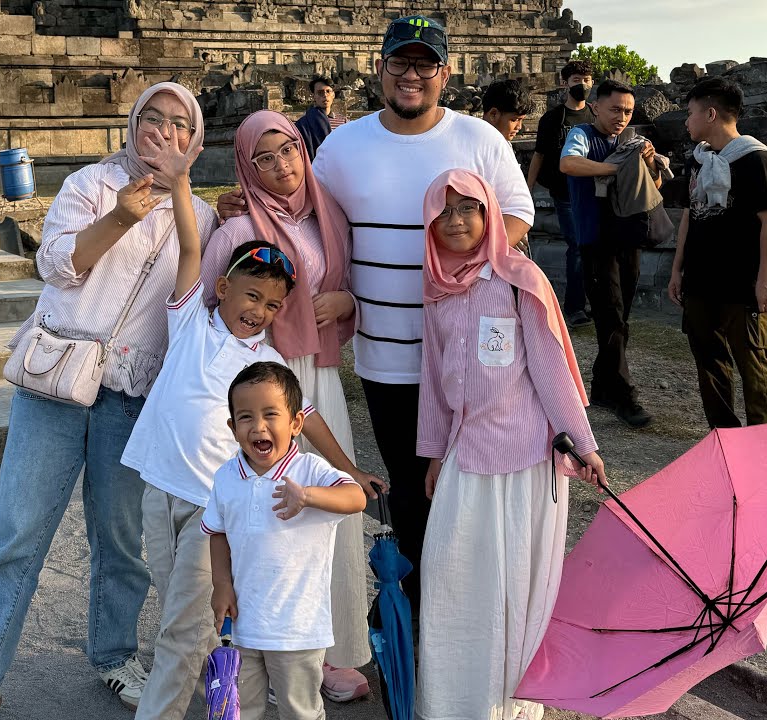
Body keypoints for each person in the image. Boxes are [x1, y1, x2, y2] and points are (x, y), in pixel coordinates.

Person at [222, 15, 536, 618]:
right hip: (386, 355)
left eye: (425, 64)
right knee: (409, 484)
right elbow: (301, 209)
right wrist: (245, 201)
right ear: (380, 68)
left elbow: (516, 217)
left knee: (464, 486)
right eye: (400, 62)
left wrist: (464, 271)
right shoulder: (343, 146)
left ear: (445, 72)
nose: (411, 75)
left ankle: (460, 606)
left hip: (464, 355)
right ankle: (417, 606)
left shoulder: (480, 140)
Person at [0, 82, 219, 720]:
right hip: (57, 383)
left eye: (179, 124)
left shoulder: (199, 213)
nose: (163, 132)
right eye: (152, 118)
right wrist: (121, 215)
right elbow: (58, 266)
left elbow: (191, 297)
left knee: (120, 543)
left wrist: (174, 197)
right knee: (16, 534)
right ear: (133, 122)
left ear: (194, 141)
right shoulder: (90, 184)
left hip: (129, 396)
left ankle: (115, 656)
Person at [122, 228, 382, 720]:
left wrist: (350, 469)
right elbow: (191, 249)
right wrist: (180, 180)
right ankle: (230, 697)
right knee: (189, 621)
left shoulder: (269, 364)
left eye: (273, 305)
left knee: (180, 631)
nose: (260, 310)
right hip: (159, 491)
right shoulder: (191, 324)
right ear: (222, 289)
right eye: (252, 295)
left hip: (210, 502)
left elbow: (310, 420)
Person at [415, 169, 606, 720]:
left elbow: (550, 369)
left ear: (490, 215)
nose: (456, 221)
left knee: (515, 580)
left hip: (525, 457)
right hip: (464, 451)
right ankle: (455, 702)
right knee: (454, 573)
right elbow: (433, 377)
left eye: (468, 209)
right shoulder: (435, 286)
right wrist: (432, 452)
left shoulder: (520, 279)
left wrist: (583, 444)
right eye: (444, 212)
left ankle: (508, 702)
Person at [200, 110, 376, 702]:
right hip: (265, 389)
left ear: (305, 151)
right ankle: (260, 650)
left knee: (321, 512)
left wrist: (344, 300)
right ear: (246, 168)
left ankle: (322, 650)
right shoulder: (237, 227)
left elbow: (351, 280)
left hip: (317, 374)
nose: (281, 168)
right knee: (265, 520)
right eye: (264, 159)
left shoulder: (326, 213)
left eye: (289, 152)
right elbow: (208, 303)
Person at [204, 361, 369, 720]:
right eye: (245, 417)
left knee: (300, 711)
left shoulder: (310, 470)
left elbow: (355, 498)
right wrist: (221, 585)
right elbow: (217, 532)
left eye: (270, 414)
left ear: (295, 422)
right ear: (232, 427)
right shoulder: (227, 477)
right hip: (244, 625)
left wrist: (309, 496)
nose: (258, 426)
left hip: (298, 629)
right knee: (240, 710)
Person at [668, 78, 767, 428]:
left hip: (742, 282)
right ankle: (724, 435)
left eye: (691, 113)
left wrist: (766, 279)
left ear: (711, 113)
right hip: (701, 280)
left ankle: (763, 439)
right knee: (708, 361)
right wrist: (677, 270)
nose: (687, 121)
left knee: (753, 362)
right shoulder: (700, 160)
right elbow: (690, 216)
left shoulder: (754, 159)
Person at [560, 79, 661, 429]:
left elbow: (653, 187)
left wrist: (648, 164)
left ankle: (602, 386)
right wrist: (617, 168)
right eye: (615, 109)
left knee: (619, 317)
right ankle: (624, 396)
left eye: (628, 111)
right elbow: (569, 164)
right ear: (595, 107)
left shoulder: (630, 141)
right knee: (612, 315)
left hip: (628, 237)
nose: (621, 116)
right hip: (595, 240)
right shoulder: (583, 135)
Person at [528, 60, 596, 328]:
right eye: (578, 79)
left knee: (591, 246)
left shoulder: (595, 114)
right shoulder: (553, 119)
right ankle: (574, 308)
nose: (583, 85)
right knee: (577, 245)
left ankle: (590, 301)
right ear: (565, 83)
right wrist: (527, 189)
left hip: (592, 189)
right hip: (564, 191)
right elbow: (539, 155)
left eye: (588, 79)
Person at [294, 76, 347, 160]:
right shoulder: (303, 124)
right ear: (314, 96)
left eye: (328, 91)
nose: (325, 95)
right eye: (320, 92)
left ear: (333, 94)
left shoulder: (344, 122)